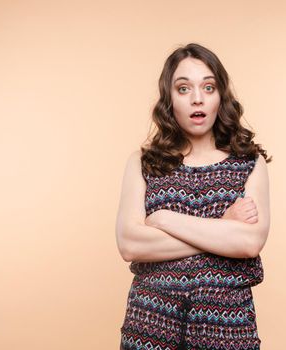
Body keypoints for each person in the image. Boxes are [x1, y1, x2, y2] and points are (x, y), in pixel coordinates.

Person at [115, 42, 271, 350]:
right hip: (150, 325)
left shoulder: (250, 163)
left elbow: (248, 243)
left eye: (208, 87)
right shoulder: (143, 162)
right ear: (169, 99)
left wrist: (163, 219)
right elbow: (130, 244)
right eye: (183, 88)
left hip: (227, 330)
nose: (197, 98)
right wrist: (222, 227)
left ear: (220, 96)